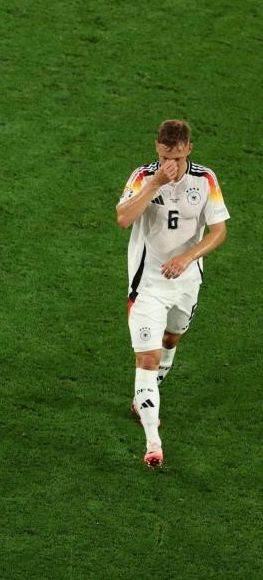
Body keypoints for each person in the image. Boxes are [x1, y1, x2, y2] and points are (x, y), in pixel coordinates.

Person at [116, 120, 229, 468]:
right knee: (146, 359)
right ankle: (153, 444)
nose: (170, 163)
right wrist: (155, 183)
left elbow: (219, 230)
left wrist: (187, 257)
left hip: (186, 281)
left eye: (177, 157)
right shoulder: (143, 176)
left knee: (172, 338)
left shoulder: (205, 180)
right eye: (165, 155)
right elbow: (123, 218)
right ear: (157, 147)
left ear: (188, 150)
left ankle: (143, 399)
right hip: (147, 285)